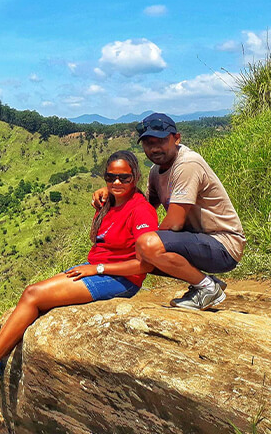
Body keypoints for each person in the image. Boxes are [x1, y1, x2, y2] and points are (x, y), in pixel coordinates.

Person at [0, 150, 156, 383]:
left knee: (33, 294)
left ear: (135, 177)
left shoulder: (141, 210)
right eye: (111, 177)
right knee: (34, 293)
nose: (117, 182)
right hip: (97, 266)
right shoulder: (110, 201)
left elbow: (144, 265)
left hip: (120, 278)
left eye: (124, 178)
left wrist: (98, 270)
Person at [93, 113, 245, 311]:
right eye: (148, 143)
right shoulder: (157, 171)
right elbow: (141, 205)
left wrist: (147, 245)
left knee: (146, 246)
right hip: (198, 241)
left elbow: (174, 223)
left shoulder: (187, 164)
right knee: (144, 248)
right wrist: (113, 189)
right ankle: (203, 282)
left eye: (162, 141)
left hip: (223, 245)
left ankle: (207, 288)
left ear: (177, 138)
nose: (155, 148)